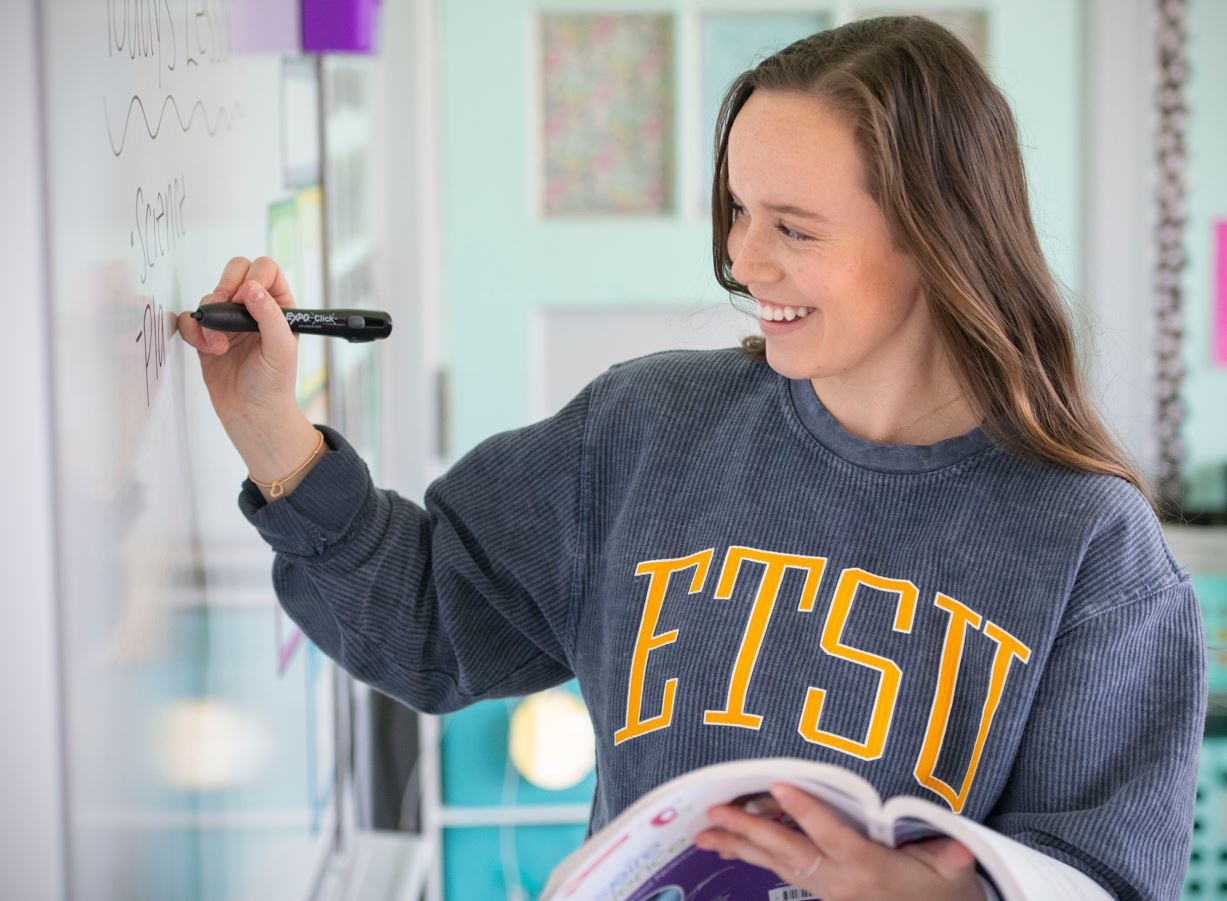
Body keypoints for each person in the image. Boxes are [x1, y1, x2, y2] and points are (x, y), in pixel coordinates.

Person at [178, 15, 1205, 901]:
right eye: (738, 213)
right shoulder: (650, 425)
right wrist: (272, 430)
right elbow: (430, 620)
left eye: (793, 228)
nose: (745, 262)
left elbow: (1108, 873)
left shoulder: (1095, 553)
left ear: (940, 243)